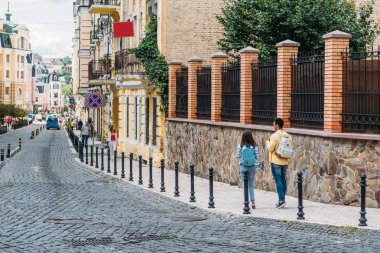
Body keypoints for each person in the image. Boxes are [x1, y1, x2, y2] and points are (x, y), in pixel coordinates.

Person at [266, 118, 293, 209]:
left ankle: (281, 200)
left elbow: (270, 148)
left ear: (277, 125)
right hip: (285, 161)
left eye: (274, 124)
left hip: (276, 161)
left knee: (278, 181)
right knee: (283, 179)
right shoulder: (288, 136)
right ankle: (282, 199)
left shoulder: (274, 136)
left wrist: (267, 142)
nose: (273, 126)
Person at [235, 130, 260, 209]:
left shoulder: (241, 145)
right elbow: (258, 157)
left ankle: (246, 202)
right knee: (251, 185)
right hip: (252, 167)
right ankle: (253, 202)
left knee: (245, 185)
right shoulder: (254, 145)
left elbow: (237, 156)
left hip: (243, 167)